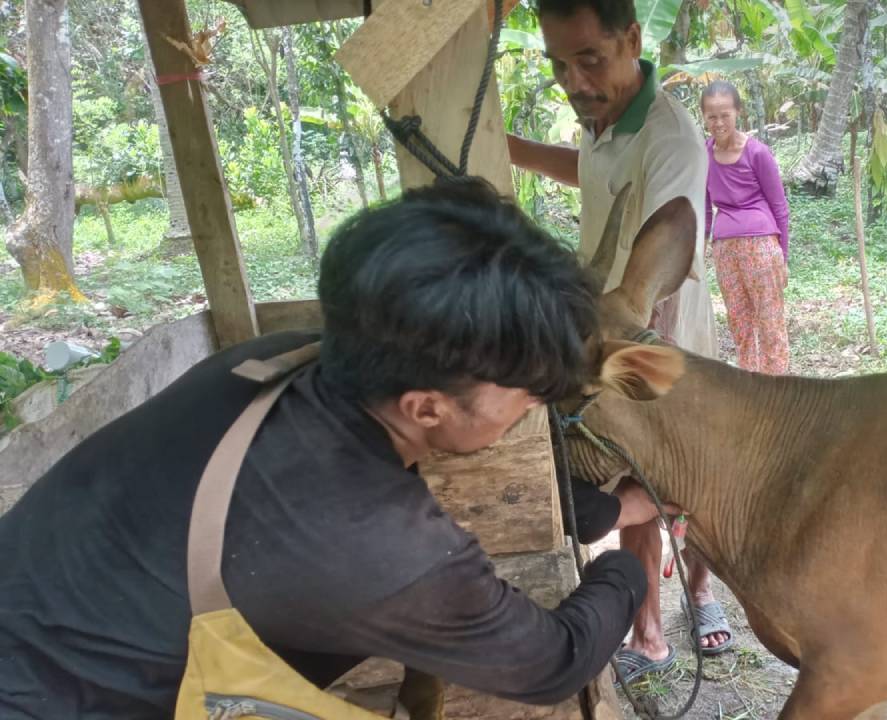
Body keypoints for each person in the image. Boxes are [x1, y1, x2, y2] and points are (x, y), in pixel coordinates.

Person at [0, 178, 665, 719]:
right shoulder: (382, 550)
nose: (535, 409)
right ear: (426, 407)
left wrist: (608, 512)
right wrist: (623, 570)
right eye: (528, 395)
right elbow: (554, 664)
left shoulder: (264, 365)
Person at [506, 0, 737, 684]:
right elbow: (592, 173)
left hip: (660, 342)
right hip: (604, 337)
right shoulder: (603, 120)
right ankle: (649, 634)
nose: (575, 81)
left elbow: (671, 223)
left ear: (632, 39)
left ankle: (700, 593)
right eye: (560, 65)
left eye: (591, 60)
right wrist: (505, 146)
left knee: (689, 476)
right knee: (632, 480)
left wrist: (623, 315)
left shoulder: (672, 140)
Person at [702, 81, 791, 375]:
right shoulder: (703, 154)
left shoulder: (757, 153)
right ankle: (750, 390)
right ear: (703, 117)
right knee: (739, 323)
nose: (719, 123)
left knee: (770, 322)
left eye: (725, 115)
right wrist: (701, 247)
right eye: (712, 116)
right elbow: (703, 206)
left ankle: (778, 390)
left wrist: (784, 257)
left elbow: (779, 206)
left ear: (738, 112)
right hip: (725, 250)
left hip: (761, 248)